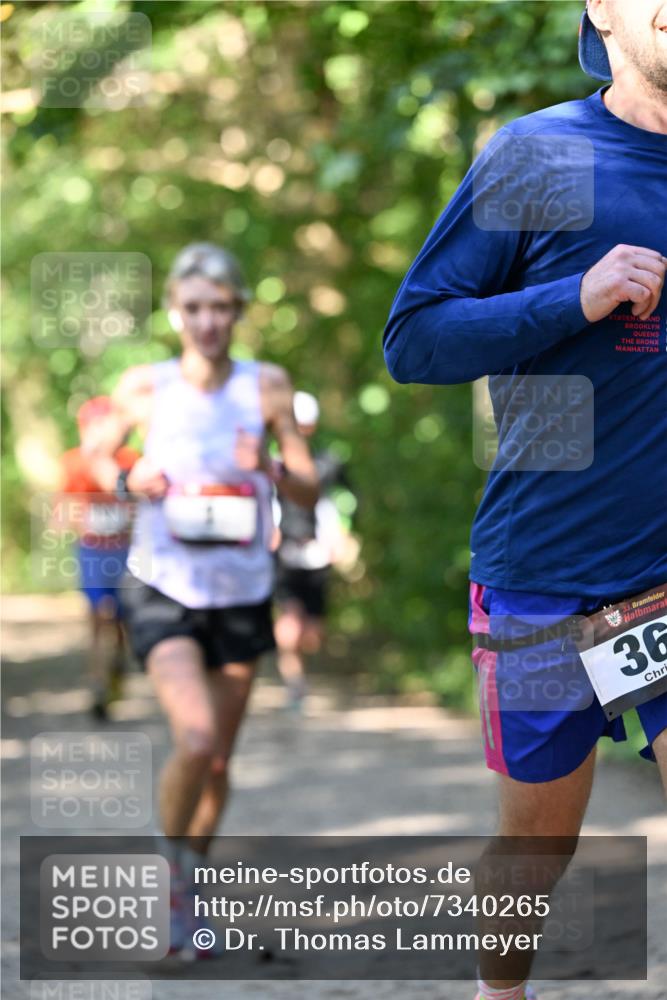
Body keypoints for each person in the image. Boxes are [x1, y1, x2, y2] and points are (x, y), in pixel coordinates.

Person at [383, 3, 666, 999]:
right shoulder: (540, 153)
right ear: (601, 7)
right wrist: (571, 298)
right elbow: (415, 340)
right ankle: (499, 989)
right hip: (545, 579)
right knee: (534, 851)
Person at [87, 242, 319, 957]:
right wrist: (131, 482)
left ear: (238, 311)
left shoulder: (268, 386)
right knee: (192, 738)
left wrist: (271, 468)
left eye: (220, 307)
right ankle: (168, 882)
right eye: (193, 308)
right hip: (162, 586)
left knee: (217, 760)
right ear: (174, 313)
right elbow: (98, 455)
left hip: (243, 593)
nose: (207, 321)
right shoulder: (145, 388)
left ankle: (189, 889)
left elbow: (310, 487)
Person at [272, 391, 356, 710]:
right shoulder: (273, 464)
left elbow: (349, 499)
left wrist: (343, 534)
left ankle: (301, 669)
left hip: (319, 555)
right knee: (289, 624)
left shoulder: (329, 463)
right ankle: (295, 684)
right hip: (284, 553)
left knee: (312, 633)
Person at [59, 396, 139, 719]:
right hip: (92, 549)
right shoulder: (73, 461)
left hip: (124, 550)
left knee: (118, 619)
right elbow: (63, 504)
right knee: (97, 615)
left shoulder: (129, 460)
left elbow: (140, 502)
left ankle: (117, 664)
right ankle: (97, 683)